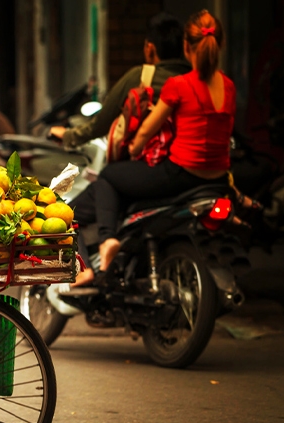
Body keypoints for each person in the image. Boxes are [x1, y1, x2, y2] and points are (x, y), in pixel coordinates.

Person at [82, 10, 234, 283]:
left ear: (187, 47)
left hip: (179, 175)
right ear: (220, 45)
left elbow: (144, 133)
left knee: (109, 176)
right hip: (219, 178)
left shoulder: (180, 85)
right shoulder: (230, 86)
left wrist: (134, 149)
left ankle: (107, 242)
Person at [50, 13, 190, 147]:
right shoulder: (196, 78)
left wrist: (69, 136)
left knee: (109, 172)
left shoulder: (141, 76)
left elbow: (101, 123)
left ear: (150, 49)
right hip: (195, 163)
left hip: (154, 163)